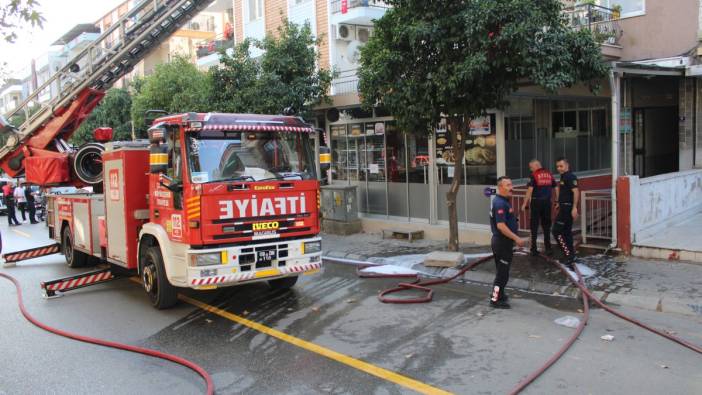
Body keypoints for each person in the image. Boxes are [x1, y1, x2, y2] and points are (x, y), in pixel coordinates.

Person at [489, 176, 526, 309]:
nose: (512, 187)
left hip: (504, 243)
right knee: (502, 274)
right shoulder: (500, 203)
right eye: (508, 185)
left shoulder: (504, 201)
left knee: (503, 272)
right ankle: (495, 299)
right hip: (501, 243)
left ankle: (501, 294)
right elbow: (501, 226)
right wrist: (516, 238)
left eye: (511, 184)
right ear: (500, 188)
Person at [521, 159, 557, 256]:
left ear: (536, 166)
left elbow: (530, 190)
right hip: (547, 203)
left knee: (534, 225)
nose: (530, 169)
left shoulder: (533, 175)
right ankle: (548, 248)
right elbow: (556, 187)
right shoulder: (549, 174)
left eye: (531, 167)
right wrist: (557, 200)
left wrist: (524, 203)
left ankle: (533, 248)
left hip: (536, 202)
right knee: (546, 226)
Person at [553, 157, 579, 269]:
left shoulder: (570, 176)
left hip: (567, 209)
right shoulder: (563, 176)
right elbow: (565, 192)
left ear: (567, 165)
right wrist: (559, 202)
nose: (559, 168)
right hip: (564, 206)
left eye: (561, 166)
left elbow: (576, 192)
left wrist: (574, 208)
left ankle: (568, 255)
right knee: (566, 232)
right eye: (557, 166)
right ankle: (570, 255)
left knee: (556, 231)